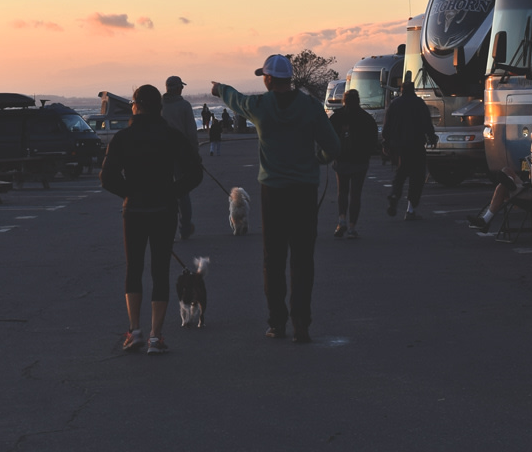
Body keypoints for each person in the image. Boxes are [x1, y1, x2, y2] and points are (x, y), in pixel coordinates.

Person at [212, 54, 340, 343]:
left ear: (268, 79)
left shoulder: (261, 107)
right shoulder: (309, 106)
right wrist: (316, 158)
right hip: (305, 191)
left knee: (274, 258)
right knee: (303, 258)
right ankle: (302, 323)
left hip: (273, 192)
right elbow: (333, 146)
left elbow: (237, 100)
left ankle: (277, 323)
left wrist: (220, 89)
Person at [101, 83, 205, 355]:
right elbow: (195, 172)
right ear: (159, 108)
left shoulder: (123, 138)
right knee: (159, 272)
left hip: (133, 210)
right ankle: (156, 337)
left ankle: (135, 331)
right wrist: (172, 192)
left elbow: (107, 177)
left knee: (133, 270)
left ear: (135, 106)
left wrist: (129, 193)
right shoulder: (171, 136)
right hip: (163, 210)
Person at [382, 78, 438, 220]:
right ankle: (410, 209)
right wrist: (431, 137)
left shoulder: (394, 105)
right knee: (417, 177)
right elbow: (427, 123)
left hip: (398, 146)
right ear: (413, 90)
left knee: (400, 173)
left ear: (401, 90)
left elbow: (387, 126)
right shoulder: (419, 104)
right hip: (416, 145)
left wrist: (386, 144)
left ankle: (395, 194)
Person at [329, 87, 379, 238]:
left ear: (344, 100)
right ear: (358, 101)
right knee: (356, 194)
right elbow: (373, 141)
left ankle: (341, 219)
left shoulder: (337, 117)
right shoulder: (366, 118)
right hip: (360, 161)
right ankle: (352, 227)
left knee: (342, 191)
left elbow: (328, 135)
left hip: (342, 160)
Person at [161, 75, 200, 240]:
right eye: (181, 87)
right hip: (181, 154)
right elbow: (191, 133)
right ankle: (184, 227)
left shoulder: (159, 105)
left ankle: (164, 229)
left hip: (161, 154)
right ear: (178, 88)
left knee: (163, 191)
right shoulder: (184, 105)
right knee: (182, 191)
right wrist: (195, 154)